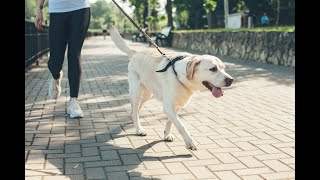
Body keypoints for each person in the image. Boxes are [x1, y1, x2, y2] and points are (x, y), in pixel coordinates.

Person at [35, 0, 91, 118]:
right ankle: (56, 75)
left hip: (80, 9)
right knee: (55, 59)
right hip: (57, 11)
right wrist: (39, 9)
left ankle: (73, 101)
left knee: (74, 54)